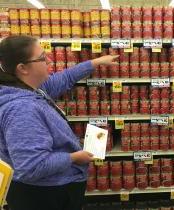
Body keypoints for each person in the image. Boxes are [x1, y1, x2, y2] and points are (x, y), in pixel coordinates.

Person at [0, 35, 118, 210]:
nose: (48, 60)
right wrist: (74, 157)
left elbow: (65, 78)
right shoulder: (22, 109)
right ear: (23, 68)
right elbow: (32, 166)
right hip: (44, 195)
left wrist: (96, 62)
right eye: (41, 57)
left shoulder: (31, 88)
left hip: (49, 188)